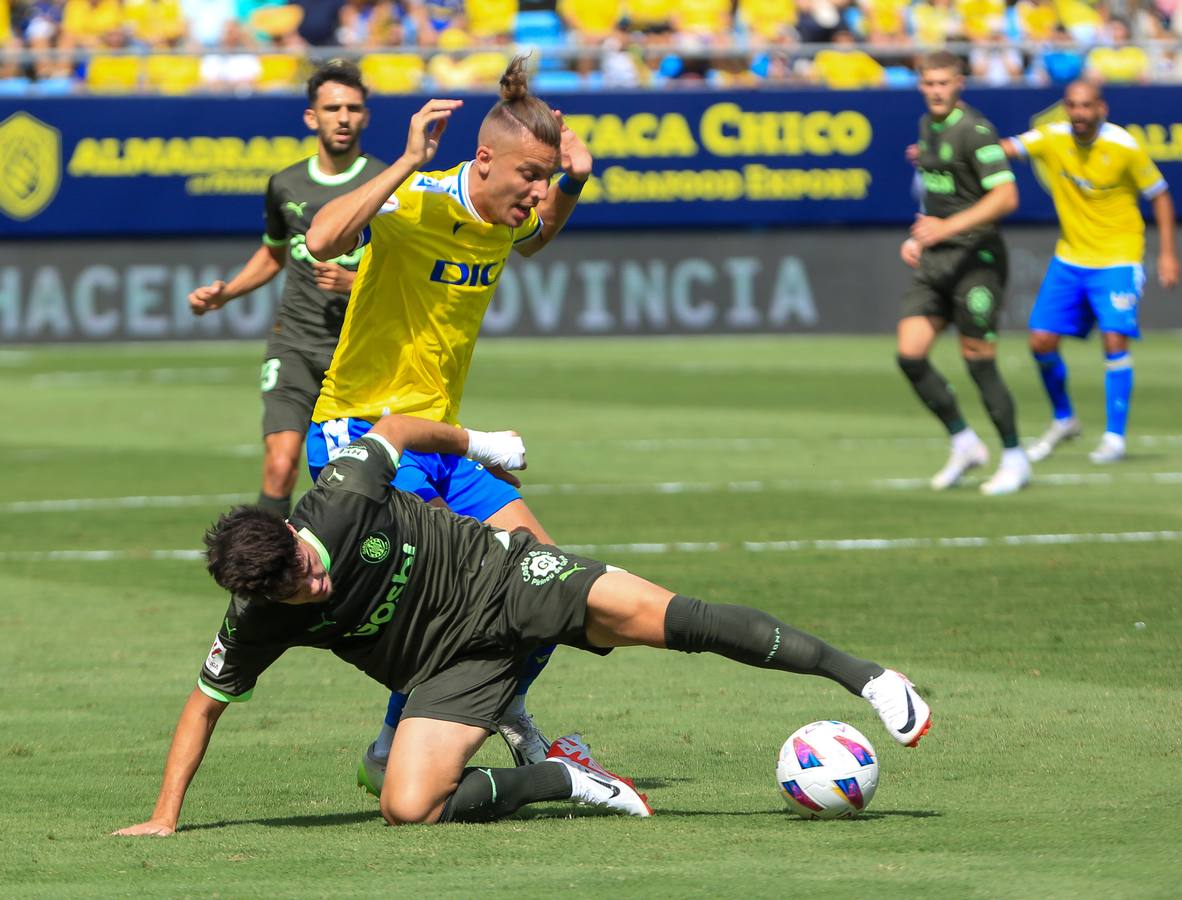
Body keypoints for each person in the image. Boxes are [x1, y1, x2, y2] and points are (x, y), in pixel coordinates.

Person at [113, 415, 933, 835]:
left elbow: (395, 429)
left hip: (506, 578)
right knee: (408, 809)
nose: (314, 573)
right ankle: (564, 779)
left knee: (673, 618)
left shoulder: (338, 496)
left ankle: (866, 676)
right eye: (300, 585)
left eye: (306, 557)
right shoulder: (255, 618)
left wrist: (481, 441)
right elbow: (202, 704)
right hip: (449, 673)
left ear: (295, 531)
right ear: (267, 596)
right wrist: (166, 814)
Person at [303, 57, 594, 792]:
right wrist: (404, 160)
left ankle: (425, 728)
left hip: (441, 442)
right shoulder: (416, 201)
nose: (535, 192)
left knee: (548, 577)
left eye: (545, 176)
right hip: (363, 432)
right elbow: (323, 240)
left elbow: (531, 238)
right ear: (483, 158)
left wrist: (572, 184)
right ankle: (460, 735)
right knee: (458, 591)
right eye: (530, 175)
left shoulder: (508, 215)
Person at [187, 60, 387, 519]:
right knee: (280, 465)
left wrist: (355, 281)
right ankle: (265, 577)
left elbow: (406, 272)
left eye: (353, 108)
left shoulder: (386, 184)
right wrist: (227, 292)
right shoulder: (285, 184)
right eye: (332, 107)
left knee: (358, 479)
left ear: (366, 117)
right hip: (294, 343)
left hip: (360, 352)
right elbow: (274, 253)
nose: (343, 117)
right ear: (311, 117)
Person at [1000, 80, 1179, 464]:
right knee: (1040, 342)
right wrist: (951, 152)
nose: (1079, 114)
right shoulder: (1052, 138)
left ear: (1102, 109)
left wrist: (1167, 255)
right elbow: (1006, 149)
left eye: (1086, 106)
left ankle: (1115, 437)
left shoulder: (1124, 147)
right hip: (1071, 258)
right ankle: (1064, 419)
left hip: (1118, 256)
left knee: (1115, 340)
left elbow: (1160, 194)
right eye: (1072, 106)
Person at [898, 50, 1028, 496]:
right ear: (920, 85)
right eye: (928, 83)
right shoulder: (926, 128)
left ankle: (1014, 456)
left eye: (943, 83)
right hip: (936, 259)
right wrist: (919, 236)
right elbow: (938, 194)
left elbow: (1007, 198)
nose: (936, 90)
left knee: (979, 363)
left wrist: (944, 229)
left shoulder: (975, 131)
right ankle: (964, 441)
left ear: (959, 85)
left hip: (977, 262)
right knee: (910, 354)